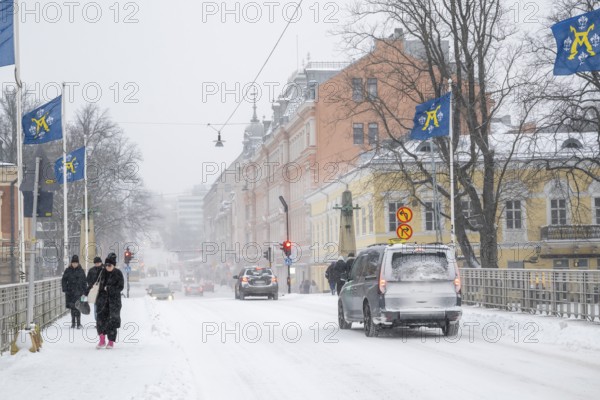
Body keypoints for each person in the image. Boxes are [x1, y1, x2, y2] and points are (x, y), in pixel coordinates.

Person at [96, 253, 124, 349]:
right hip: (102, 301)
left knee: (112, 321)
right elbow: (95, 284)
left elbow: (120, 287)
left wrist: (110, 289)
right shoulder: (101, 273)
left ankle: (111, 341)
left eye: (110, 265)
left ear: (114, 265)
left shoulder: (118, 273)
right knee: (100, 320)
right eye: (106, 265)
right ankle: (102, 340)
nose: (107, 267)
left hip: (114, 301)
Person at [61, 255, 87, 329]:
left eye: (76, 263)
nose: (74, 264)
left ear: (78, 263)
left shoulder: (81, 271)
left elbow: (84, 282)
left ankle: (78, 323)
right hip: (70, 292)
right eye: (73, 263)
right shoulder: (68, 270)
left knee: (78, 307)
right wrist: (65, 288)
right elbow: (64, 280)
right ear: (71, 263)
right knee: (72, 308)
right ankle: (73, 323)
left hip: (79, 292)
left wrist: (85, 292)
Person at [86, 256, 104, 322]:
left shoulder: (104, 269)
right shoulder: (92, 270)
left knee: (101, 307)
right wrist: (92, 285)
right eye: (96, 263)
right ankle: (98, 321)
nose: (97, 264)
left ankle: (101, 321)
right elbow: (88, 279)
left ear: (101, 262)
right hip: (95, 291)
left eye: (98, 262)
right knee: (96, 307)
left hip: (102, 291)